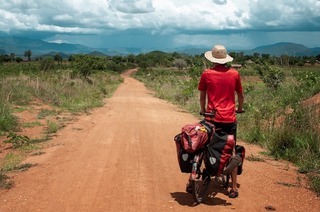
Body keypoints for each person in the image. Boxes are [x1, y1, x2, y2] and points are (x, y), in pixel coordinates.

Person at [198, 44, 244, 198]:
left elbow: (202, 95)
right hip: (230, 118)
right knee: (231, 149)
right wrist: (239, 108)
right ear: (226, 59)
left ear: (212, 59)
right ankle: (233, 188)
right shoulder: (234, 74)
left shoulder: (207, 73)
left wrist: (203, 110)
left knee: (206, 144)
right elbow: (240, 95)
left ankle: (199, 175)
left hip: (212, 117)